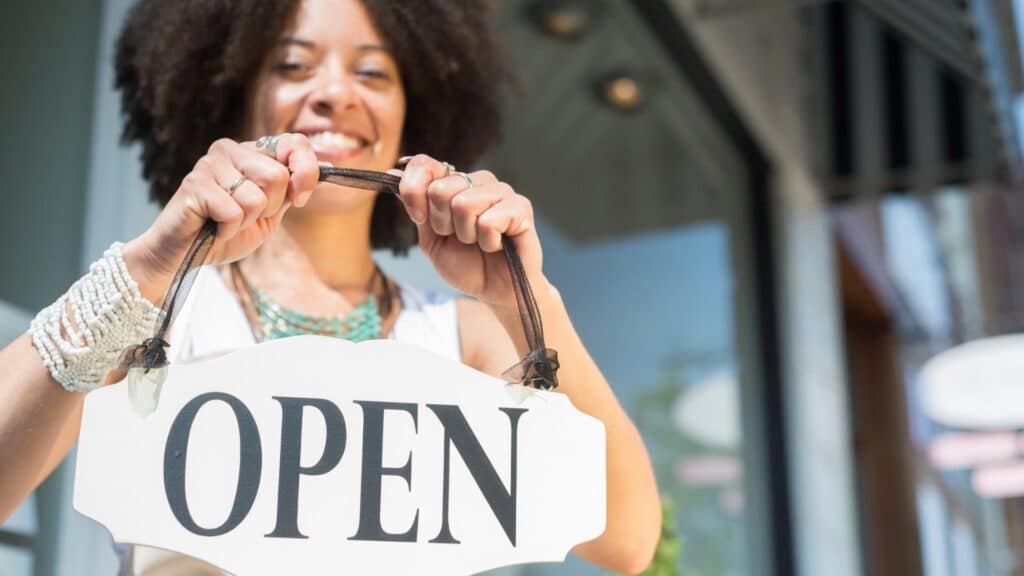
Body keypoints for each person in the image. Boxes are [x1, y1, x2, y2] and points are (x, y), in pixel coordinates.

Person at [0, 0, 661, 573]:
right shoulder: (156, 315)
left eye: (373, 72)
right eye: (293, 66)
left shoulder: (469, 337)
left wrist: (525, 300)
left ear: (415, 113)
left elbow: (627, 541)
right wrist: (148, 266)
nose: (336, 94)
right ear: (234, 95)